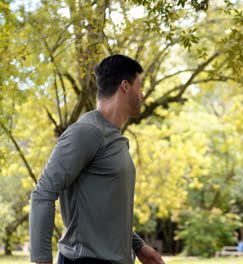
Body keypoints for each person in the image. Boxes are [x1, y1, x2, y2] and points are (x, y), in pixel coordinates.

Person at [29, 55, 165, 264]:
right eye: (140, 86)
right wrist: (42, 260)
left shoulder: (114, 138)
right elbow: (43, 194)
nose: (142, 94)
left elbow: (105, 212)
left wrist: (137, 245)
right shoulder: (87, 132)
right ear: (125, 86)